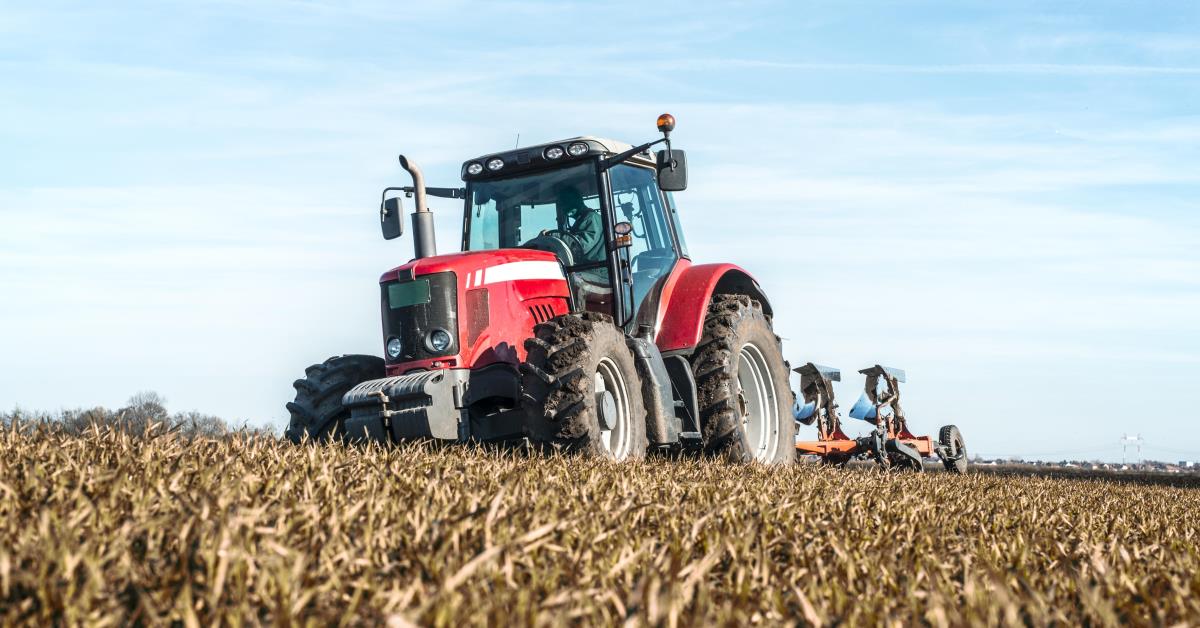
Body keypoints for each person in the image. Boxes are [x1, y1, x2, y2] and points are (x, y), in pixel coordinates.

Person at [553, 186, 603, 263]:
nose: (564, 208)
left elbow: (581, 246)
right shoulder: (582, 220)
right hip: (585, 267)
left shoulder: (592, 218)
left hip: (596, 268)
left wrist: (554, 236)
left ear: (577, 201)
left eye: (566, 203)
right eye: (562, 205)